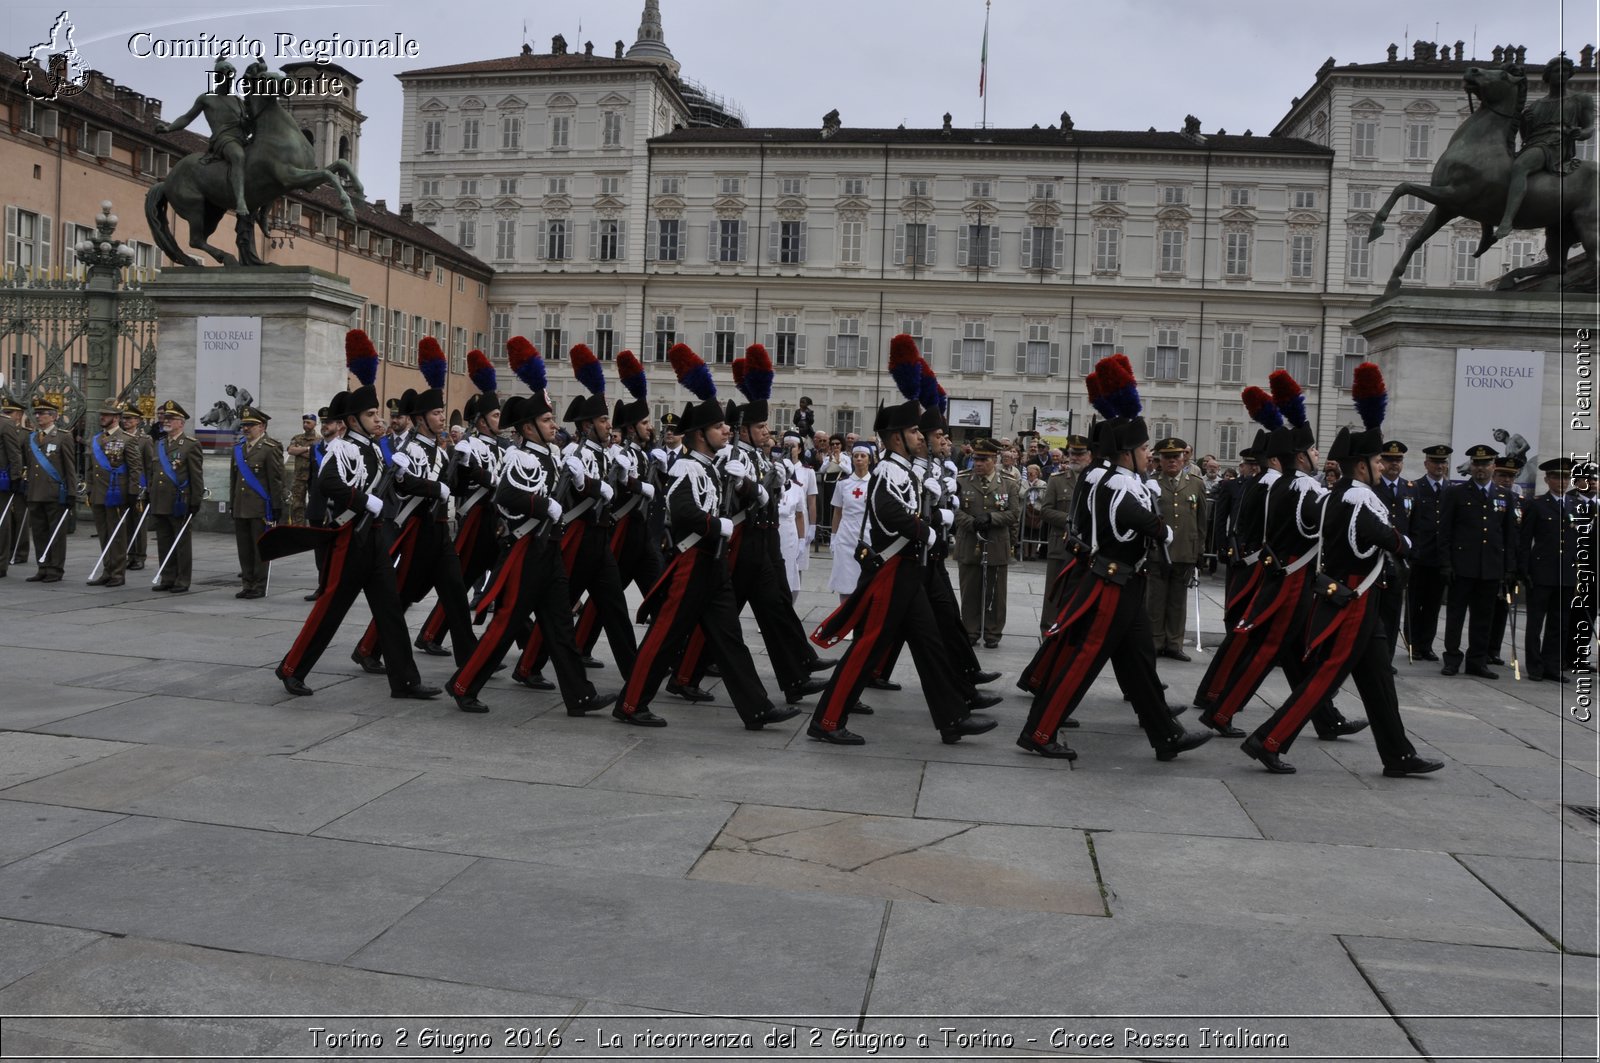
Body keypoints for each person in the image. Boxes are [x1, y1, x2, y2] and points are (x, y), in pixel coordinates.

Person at [1241, 364, 1443, 778]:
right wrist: (1403, 543)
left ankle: (1398, 753)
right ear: (1362, 465)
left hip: (1360, 599)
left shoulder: (1342, 493)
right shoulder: (1358, 499)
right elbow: (1385, 538)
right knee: (1325, 677)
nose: (1381, 466)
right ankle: (1270, 739)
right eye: (1375, 460)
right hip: (1353, 598)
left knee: (1379, 684)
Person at [1017, 357, 1210, 762]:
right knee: (1082, 662)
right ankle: (1039, 731)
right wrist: (1162, 528)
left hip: (1119, 580)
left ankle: (1165, 736)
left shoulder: (1098, 474)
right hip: (1111, 583)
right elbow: (1151, 526)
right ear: (1127, 452)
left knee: (1139, 663)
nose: (1149, 455)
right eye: (1143, 448)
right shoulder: (1121, 484)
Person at [807, 398, 994, 747]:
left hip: (910, 573)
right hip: (893, 573)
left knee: (931, 647)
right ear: (896, 438)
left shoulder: (905, 469)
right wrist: (928, 530)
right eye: (912, 431)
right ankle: (827, 720)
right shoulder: (887, 471)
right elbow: (889, 511)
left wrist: (936, 516)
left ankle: (953, 719)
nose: (920, 437)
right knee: (866, 649)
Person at [615, 377, 796, 731]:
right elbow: (682, 509)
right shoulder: (687, 467)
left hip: (713, 565)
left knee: (731, 640)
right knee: (663, 637)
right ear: (700, 434)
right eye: (718, 426)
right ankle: (631, 703)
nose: (727, 431)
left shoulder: (711, 467)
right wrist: (719, 527)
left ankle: (757, 708)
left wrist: (747, 486)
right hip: (692, 563)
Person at [447, 395, 613, 716]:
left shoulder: (551, 456)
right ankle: (463, 684)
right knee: (506, 624)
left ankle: (580, 695)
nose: (554, 425)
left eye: (552, 419)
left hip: (548, 549)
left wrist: (587, 482)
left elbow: (567, 487)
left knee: (562, 625)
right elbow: (505, 495)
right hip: (525, 551)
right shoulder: (518, 456)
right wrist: (543, 505)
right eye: (547, 420)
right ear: (528, 427)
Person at [275, 383, 439, 701]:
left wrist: (403, 478)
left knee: (390, 609)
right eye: (370, 414)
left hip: (374, 539)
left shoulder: (375, 449)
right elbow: (328, 482)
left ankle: (405, 680)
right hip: (350, 539)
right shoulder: (343, 448)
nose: (378, 419)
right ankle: (292, 669)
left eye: (377, 413)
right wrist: (363, 501)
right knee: (330, 609)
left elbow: (391, 487)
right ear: (352, 421)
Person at [354, 386, 478, 670]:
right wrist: (437, 487)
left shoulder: (440, 450)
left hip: (439, 532)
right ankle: (367, 648)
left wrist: (465, 464)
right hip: (418, 531)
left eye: (441, 412)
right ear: (421, 419)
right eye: (436, 413)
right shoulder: (410, 448)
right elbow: (403, 483)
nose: (442, 418)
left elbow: (454, 487)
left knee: (456, 595)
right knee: (401, 596)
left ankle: (471, 659)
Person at [1494, 53, 1596, 240]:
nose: (1562, 74)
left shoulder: (1580, 100)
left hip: (1556, 144)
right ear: (1548, 76)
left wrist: (1580, 133)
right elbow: (1526, 137)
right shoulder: (1535, 106)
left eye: (1565, 70)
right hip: (1534, 144)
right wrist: (1526, 123)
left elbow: (1589, 128)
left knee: (1520, 166)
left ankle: (1507, 220)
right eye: (1557, 70)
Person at [1439, 443, 1517, 678]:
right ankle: (1452, 659)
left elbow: (1510, 536)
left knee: (1484, 617)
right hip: (1462, 566)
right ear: (1471, 467)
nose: (1480, 468)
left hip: (1490, 567)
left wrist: (1509, 568)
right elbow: (1445, 531)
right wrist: (1446, 563)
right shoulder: (1456, 493)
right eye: (1476, 464)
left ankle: (1477, 660)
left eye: (1485, 464)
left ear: (1494, 466)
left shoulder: (1505, 496)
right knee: (1455, 615)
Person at [157, 57, 251, 217]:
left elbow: (247, 123)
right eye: (225, 76)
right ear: (217, 77)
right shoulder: (207, 99)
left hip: (242, 138)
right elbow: (187, 118)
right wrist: (168, 128)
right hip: (224, 139)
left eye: (231, 76)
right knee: (238, 156)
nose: (229, 79)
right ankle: (240, 201)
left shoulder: (238, 101)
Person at [953, 438, 1022, 647]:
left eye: (983, 459)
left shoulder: (1008, 482)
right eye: (976, 459)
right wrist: (971, 523)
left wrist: (992, 518)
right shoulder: (962, 480)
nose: (979, 463)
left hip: (996, 543)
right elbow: (954, 510)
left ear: (994, 459)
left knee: (996, 592)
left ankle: (993, 633)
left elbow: (1013, 513)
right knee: (970, 591)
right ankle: (970, 631)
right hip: (969, 542)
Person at [1147, 436, 1208, 660]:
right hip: (1158, 551)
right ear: (1159, 460)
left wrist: (1200, 550)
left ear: (1184, 458)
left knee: (1177, 601)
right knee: (1155, 599)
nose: (1172, 461)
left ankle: (1174, 643)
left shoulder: (1196, 483)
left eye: (1176, 457)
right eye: (1167, 458)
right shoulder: (1151, 483)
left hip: (1185, 549)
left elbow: (1202, 520)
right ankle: (1155, 641)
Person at [1520, 457, 1576, 682]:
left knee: (1560, 623)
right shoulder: (1537, 505)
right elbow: (1525, 541)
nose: (1561, 482)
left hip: (1566, 573)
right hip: (1541, 572)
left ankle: (1552, 665)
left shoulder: (1575, 506)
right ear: (1547, 479)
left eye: (1565, 477)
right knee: (1535, 623)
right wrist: (1523, 570)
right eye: (1556, 477)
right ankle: (1535, 666)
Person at [147, 400, 205, 593]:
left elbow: (196, 476)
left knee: (181, 543)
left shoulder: (190, 445)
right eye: (165, 417)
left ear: (181, 422)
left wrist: (195, 501)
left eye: (171, 418)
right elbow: (152, 472)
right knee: (163, 541)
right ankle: (167, 576)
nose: (166, 421)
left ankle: (182, 579)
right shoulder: (159, 444)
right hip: (159, 499)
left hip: (179, 501)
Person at [84, 398, 142, 588]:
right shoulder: (97, 439)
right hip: (99, 494)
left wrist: (133, 493)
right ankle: (107, 570)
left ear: (116, 418)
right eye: (101, 414)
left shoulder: (127, 440)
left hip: (116, 493)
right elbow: (91, 469)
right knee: (103, 534)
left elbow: (135, 468)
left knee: (117, 535)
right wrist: (89, 490)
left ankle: (118, 573)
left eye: (106, 415)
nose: (102, 417)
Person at [228, 405, 283, 599]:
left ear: (262, 426)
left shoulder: (270, 448)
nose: (246, 428)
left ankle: (259, 585)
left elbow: (275, 480)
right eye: (244, 425)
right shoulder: (238, 449)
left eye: (251, 425)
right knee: (244, 548)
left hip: (261, 507)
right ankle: (247, 583)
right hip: (241, 507)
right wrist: (232, 504)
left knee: (259, 548)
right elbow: (233, 480)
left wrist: (276, 506)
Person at [1037, 434, 1091, 633]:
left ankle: (1073, 631)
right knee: (1054, 591)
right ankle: (1048, 631)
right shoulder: (1057, 480)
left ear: (1090, 455)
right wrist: (1071, 519)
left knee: (1081, 593)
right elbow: (1045, 510)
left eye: (1080, 453)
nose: (1075, 457)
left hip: (1087, 548)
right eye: (1072, 453)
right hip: (1061, 544)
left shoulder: (1098, 481)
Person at [1406, 444, 1453, 661]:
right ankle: (1412, 644)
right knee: (1415, 603)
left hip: (1440, 557)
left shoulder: (1451, 490)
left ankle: (1427, 645)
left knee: (1433, 605)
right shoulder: (1415, 487)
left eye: (1443, 462)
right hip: (1419, 556)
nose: (1439, 466)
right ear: (1426, 464)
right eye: (1435, 462)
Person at [1371, 441, 1416, 664]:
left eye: (1398, 460)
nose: (1394, 464)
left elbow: (1415, 525)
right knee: (1374, 612)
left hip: (1399, 561)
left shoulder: (1410, 489)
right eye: (1389, 460)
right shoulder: (1372, 487)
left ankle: (1385, 659)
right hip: (1377, 558)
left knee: (1392, 613)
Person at [22, 396, 75, 583]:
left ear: (53, 416)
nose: (38, 416)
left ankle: (55, 568)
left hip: (54, 493)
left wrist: (71, 492)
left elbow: (69, 467)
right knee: (39, 532)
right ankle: (42, 566)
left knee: (56, 533)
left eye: (42, 413)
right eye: (36, 413)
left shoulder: (63, 437)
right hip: (35, 492)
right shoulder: (33, 437)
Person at [1486, 454, 1529, 667]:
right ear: (1494, 474)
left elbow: (1523, 537)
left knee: (1504, 608)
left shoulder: (1521, 503)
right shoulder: (1490, 500)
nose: (1507, 480)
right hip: (1491, 561)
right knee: (1486, 609)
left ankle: (1493, 649)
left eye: (1511, 476)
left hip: (1511, 564)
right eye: (1502, 475)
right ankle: (1481, 648)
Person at [829, 444, 874, 602]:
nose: (859, 459)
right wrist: (833, 538)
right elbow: (837, 512)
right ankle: (845, 621)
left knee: (867, 585)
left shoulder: (875, 484)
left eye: (863, 456)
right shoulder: (843, 484)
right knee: (845, 584)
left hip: (867, 536)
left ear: (869, 459)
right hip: (846, 537)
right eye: (856, 456)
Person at [118, 403, 153, 571]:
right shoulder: (118, 438)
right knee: (125, 524)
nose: (126, 421)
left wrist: (147, 488)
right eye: (124, 418)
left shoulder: (145, 441)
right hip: (122, 486)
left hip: (139, 487)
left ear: (138, 421)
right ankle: (128, 554)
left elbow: (148, 466)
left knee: (139, 524)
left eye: (130, 418)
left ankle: (139, 556)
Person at [0, 392, 27, 576]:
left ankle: (1, 563)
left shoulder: (6, 424)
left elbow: (14, 453)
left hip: (1, 480)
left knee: (2, 523)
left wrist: (16, 477)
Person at [285, 413, 319, 525]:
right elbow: (290, 450)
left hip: (314, 478)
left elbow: (317, 456)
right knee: (297, 505)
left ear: (315, 423)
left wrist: (300, 450)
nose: (305, 424)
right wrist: (308, 449)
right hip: (299, 477)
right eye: (304, 422)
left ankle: (315, 528)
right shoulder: (297, 438)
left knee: (315, 504)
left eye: (308, 422)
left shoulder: (320, 440)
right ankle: (298, 527)